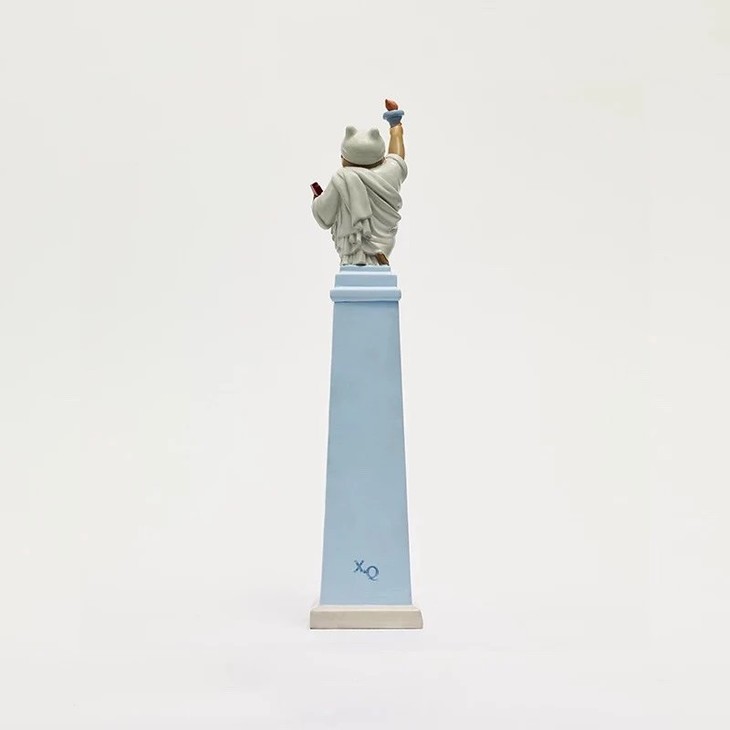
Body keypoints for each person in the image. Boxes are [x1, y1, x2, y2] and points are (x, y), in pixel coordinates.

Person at [312, 100, 407, 266]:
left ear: (344, 158)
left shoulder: (341, 178)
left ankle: (360, 259)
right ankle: (377, 253)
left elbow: (324, 216)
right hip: (383, 243)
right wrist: (395, 124)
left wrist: (316, 199)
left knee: (352, 264)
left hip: (350, 249)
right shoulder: (390, 172)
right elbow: (397, 155)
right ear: (381, 157)